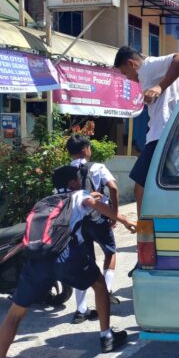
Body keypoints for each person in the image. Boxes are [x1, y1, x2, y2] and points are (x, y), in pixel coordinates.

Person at [0, 165, 136, 358]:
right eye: (79, 180)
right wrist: (125, 220)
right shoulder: (79, 195)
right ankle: (106, 336)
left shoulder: (43, 202)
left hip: (36, 262)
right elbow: (94, 205)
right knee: (99, 285)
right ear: (73, 183)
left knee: (15, 313)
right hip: (67, 259)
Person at [113, 46, 179, 216]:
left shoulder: (148, 67)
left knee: (140, 185)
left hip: (161, 135)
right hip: (172, 133)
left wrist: (160, 87)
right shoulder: (160, 71)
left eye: (124, 72)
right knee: (165, 183)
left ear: (131, 63)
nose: (128, 78)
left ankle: (144, 231)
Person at [66, 134, 121, 321]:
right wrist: (113, 212)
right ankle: (105, 293)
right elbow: (113, 188)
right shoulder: (98, 167)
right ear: (85, 150)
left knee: (83, 261)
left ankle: (80, 310)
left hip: (77, 222)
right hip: (98, 218)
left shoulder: (65, 171)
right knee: (110, 252)